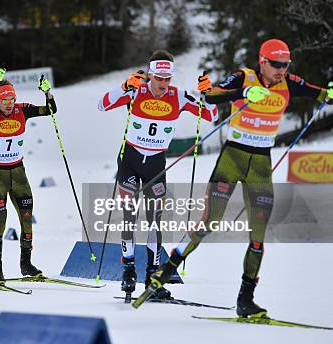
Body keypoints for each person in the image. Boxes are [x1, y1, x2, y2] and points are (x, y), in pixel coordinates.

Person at [141, 39, 333, 316]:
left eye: (285, 64)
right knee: (209, 222)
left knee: (258, 236)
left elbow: (319, 93)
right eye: (276, 64)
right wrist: (243, 92)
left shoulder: (289, 83)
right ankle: (166, 270)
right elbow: (213, 94)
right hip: (233, 158)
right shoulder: (245, 76)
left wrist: (328, 93)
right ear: (262, 61)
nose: (281, 70)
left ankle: (246, 299)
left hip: (261, 164)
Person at [98, 50, 218, 299]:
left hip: (156, 164)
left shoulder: (180, 97)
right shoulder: (136, 91)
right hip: (130, 161)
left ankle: (153, 277)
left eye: (167, 79)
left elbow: (212, 116)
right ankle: (128, 270)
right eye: (159, 78)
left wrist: (209, 94)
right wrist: (124, 87)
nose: (163, 84)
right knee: (129, 216)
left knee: (155, 221)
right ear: (150, 74)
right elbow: (102, 104)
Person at [0, 68, 57, 285]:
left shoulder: (22, 110)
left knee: (27, 217)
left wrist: (47, 92)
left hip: (18, 172)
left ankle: (26, 263)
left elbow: (51, 110)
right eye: (4, 100)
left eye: (12, 99)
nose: (9, 103)